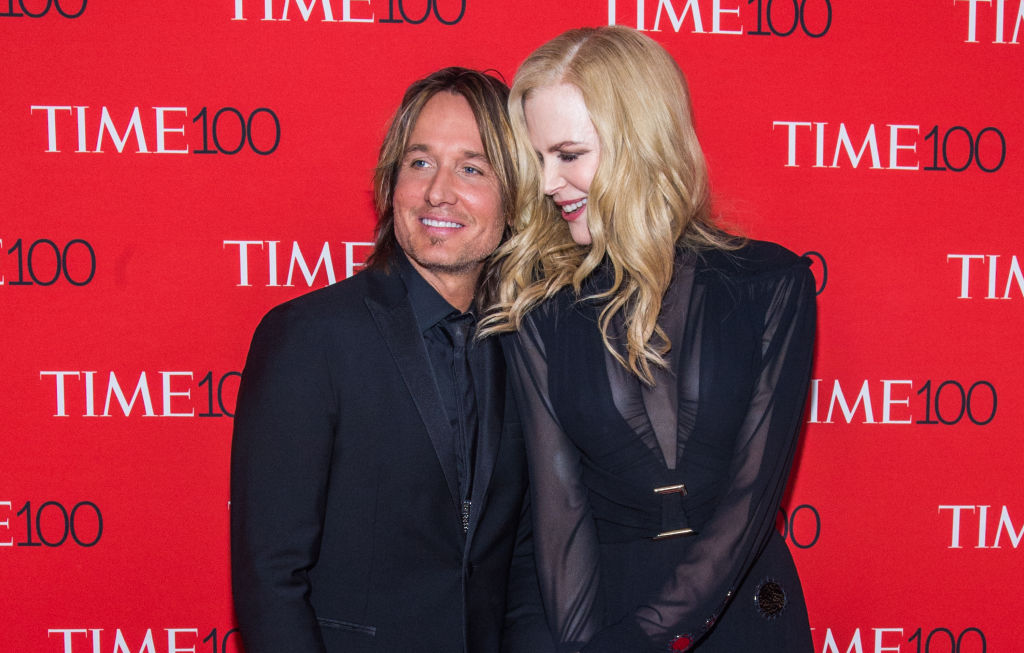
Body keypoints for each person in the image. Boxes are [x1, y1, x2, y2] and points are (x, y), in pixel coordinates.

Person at [481, 27, 816, 652]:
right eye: (539, 159)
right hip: (606, 613)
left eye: (569, 154)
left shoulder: (769, 284)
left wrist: (642, 640)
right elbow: (561, 512)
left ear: (639, 142)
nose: (549, 182)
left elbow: (750, 497)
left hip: (741, 611)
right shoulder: (540, 307)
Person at [230, 67, 543, 653]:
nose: (438, 192)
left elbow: (525, 555)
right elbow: (270, 577)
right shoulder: (310, 337)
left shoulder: (528, 344)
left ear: (517, 193)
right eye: (419, 162)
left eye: (471, 169)